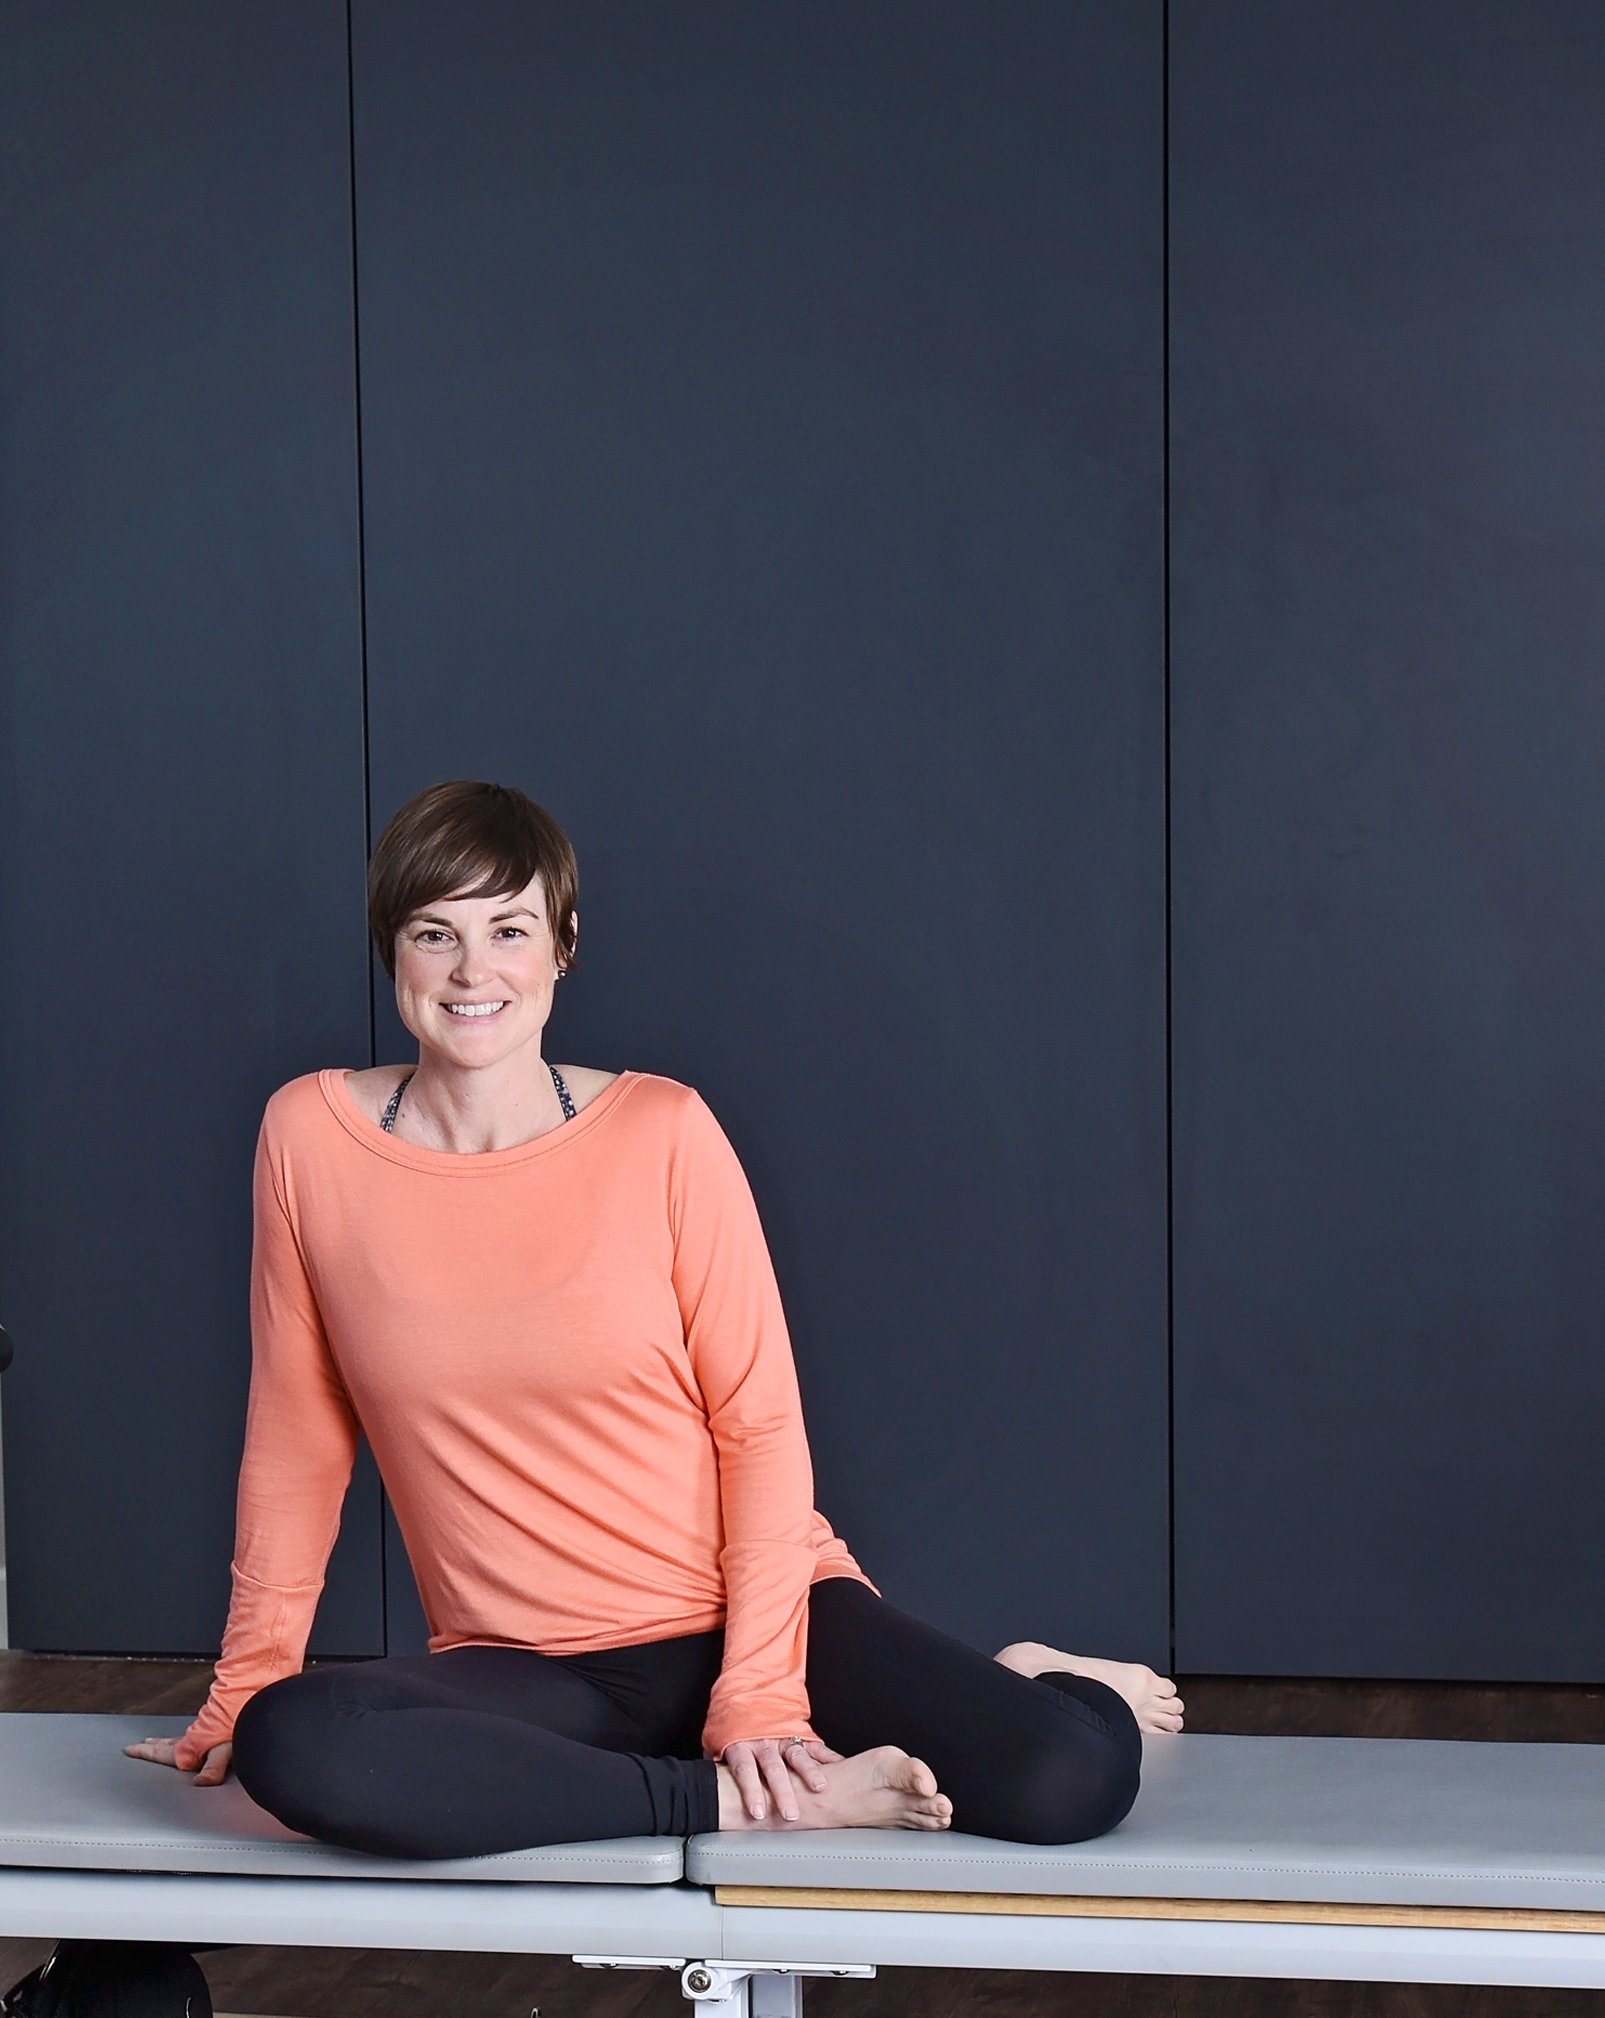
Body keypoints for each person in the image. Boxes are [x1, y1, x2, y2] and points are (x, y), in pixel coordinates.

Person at [128, 780, 1179, 1860]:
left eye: (509, 930)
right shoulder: (308, 1138)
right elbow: (298, 1441)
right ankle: (705, 1802)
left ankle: (1030, 1673)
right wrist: (249, 1680)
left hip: (755, 1614)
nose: (471, 970)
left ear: (562, 948)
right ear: (392, 953)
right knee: (295, 1743)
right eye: (434, 932)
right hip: (533, 1670)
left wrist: (761, 1693)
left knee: (1074, 1775)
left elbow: (759, 1427)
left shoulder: (664, 1133)